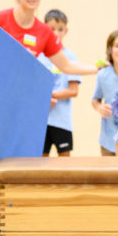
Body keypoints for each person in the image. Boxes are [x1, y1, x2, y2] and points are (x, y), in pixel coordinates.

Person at [38, 9, 80, 156]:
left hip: (62, 121)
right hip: (40, 120)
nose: (56, 33)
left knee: (64, 165)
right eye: (52, 29)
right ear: (44, 29)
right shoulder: (38, 56)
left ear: (66, 31)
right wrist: (43, 99)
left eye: (60, 29)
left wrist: (51, 95)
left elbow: (73, 91)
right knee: (40, 165)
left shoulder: (70, 57)